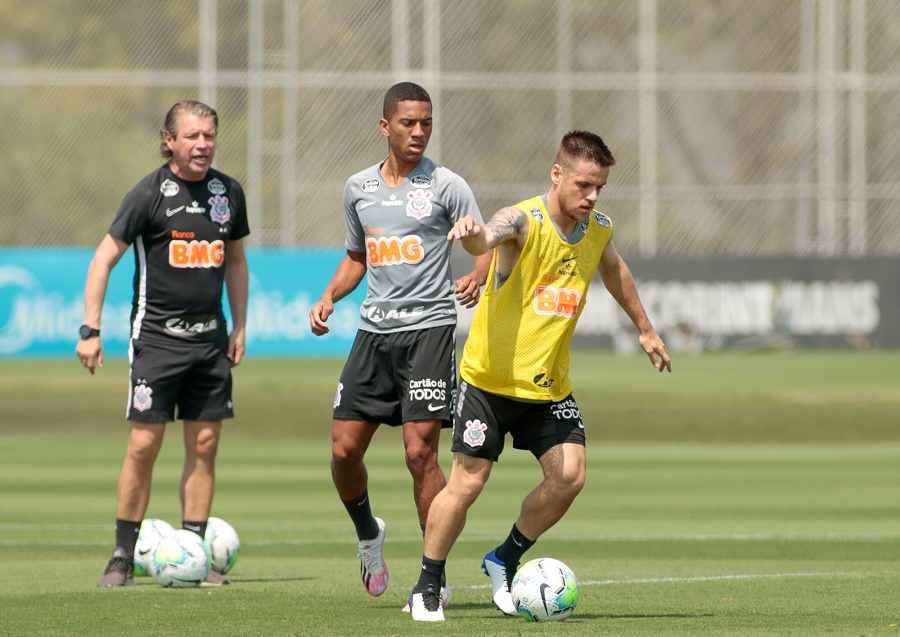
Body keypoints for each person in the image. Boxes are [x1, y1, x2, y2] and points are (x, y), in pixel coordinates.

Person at [408, 130, 672, 621]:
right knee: (468, 482)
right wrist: (470, 233)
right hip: (489, 383)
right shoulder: (523, 222)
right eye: (584, 185)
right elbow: (487, 236)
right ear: (557, 174)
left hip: (548, 387)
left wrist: (645, 328)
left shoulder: (597, 228)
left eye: (600, 188)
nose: (592, 197)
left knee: (570, 476)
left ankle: (503, 559)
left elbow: (614, 270)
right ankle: (427, 583)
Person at [309, 82, 491, 603]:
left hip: (429, 331)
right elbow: (357, 257)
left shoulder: (447, 185)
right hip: (372, 334)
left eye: (426, 123)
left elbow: (482, 242)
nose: (419, 132)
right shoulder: (358, 188)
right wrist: (330, 296)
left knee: (420, 454)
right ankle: (369, 532)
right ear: (385, 126)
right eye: (409, 123)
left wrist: (477, 274)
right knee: (344, 451)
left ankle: (433, 573)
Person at [76, 100, 250, 588]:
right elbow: (102, 260)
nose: (203, 145)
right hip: (155, 340)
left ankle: (193, 549)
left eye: (209, 135)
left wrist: (239, 325)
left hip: (210, 340)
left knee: (206, 444)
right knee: (144, 445)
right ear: (169, 140)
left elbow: (235, 262)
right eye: (192, 136)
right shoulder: (149, 194)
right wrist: (90, 330)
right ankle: (121, 556)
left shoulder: (228, 192)